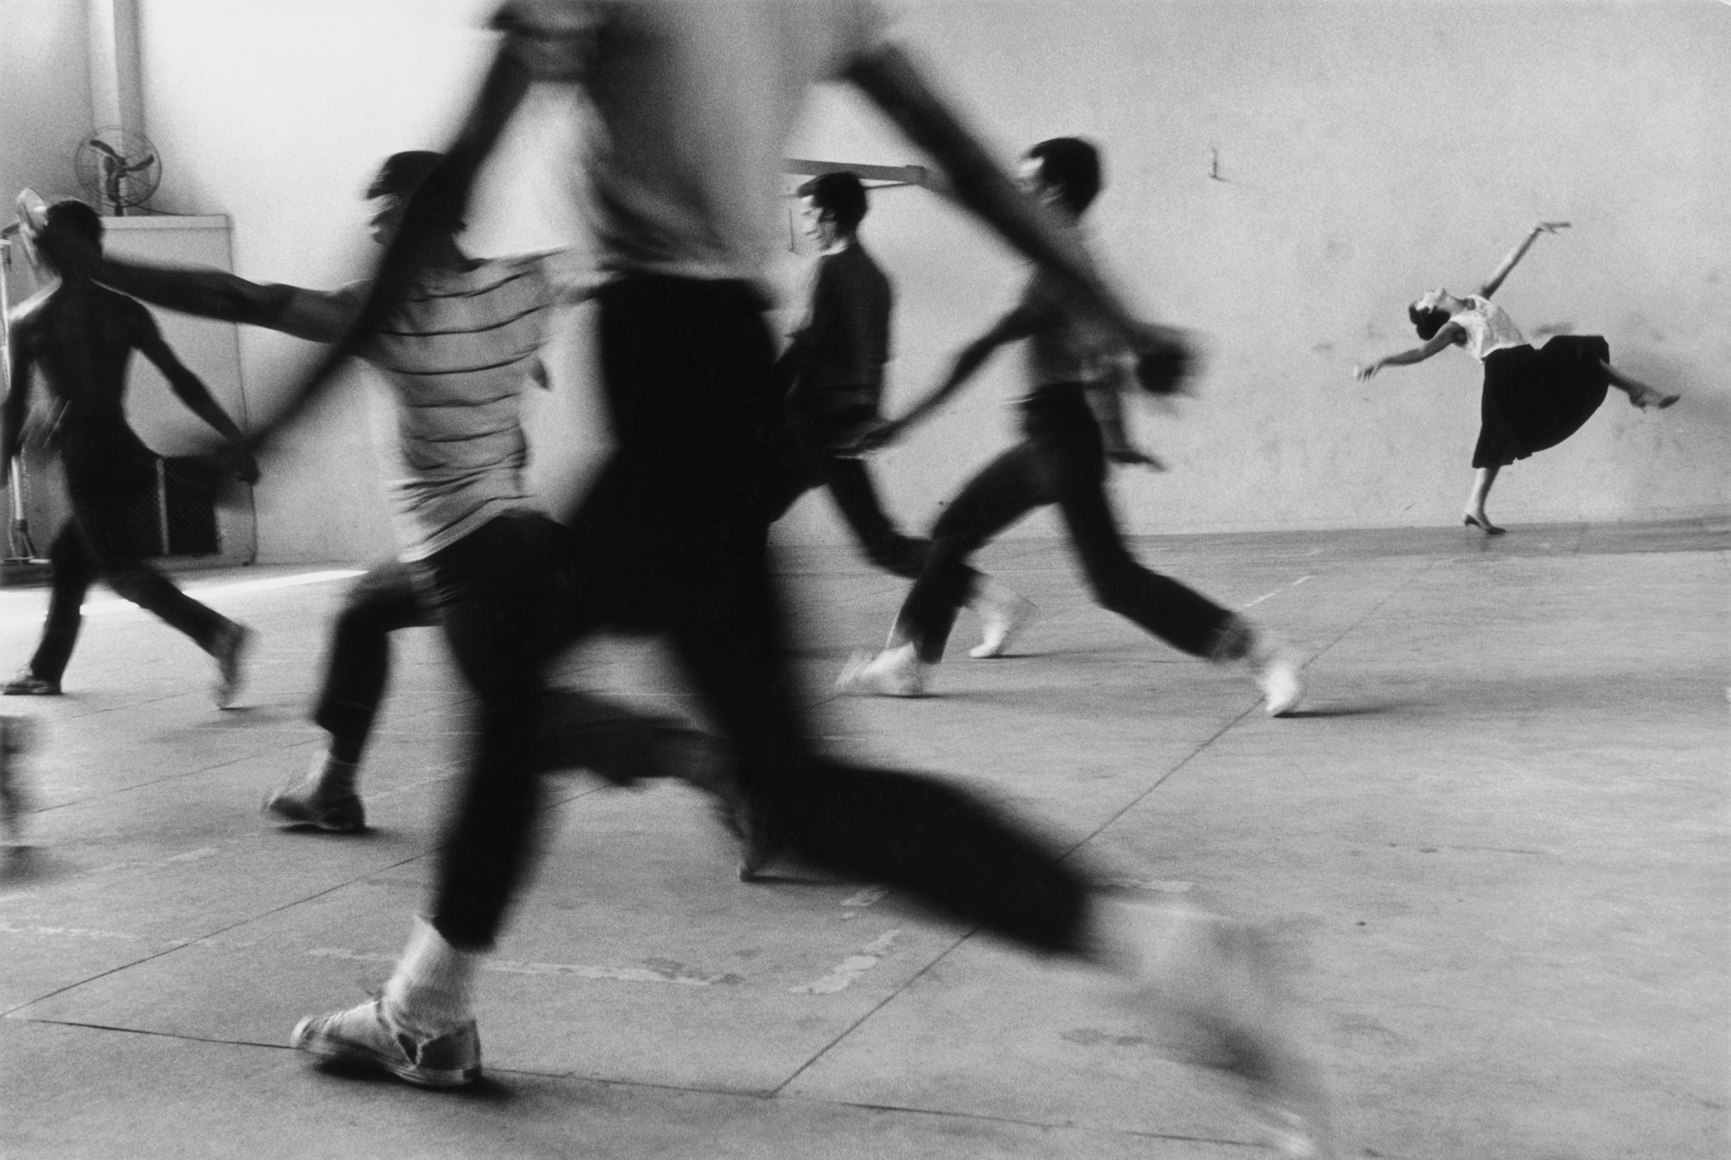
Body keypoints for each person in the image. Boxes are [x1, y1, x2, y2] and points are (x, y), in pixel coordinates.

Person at [279, 7, 1334, 1156]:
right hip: (726, 368)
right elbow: (969, 161)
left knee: (529, 681)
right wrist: (1115, 310)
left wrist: (292, 401)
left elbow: (451, 178)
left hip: (668, 369)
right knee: (787, 788)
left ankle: (429, 1014)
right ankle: (1169, 948)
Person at [97, 151, 729, 834]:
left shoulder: (383, 309)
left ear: (426, 216)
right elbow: (626, 263)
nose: (374, 232)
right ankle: (332, 786)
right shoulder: (523, 281)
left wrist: (103, 267)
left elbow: (241, 298)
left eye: (386, 215)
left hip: (467, 555)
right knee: (364, 611)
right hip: (522, 537)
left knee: (522, 717)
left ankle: (713, 765)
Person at [834, 138, 1302, 715]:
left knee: (1114, 583)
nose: (1022, 194)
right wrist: (1119, 439)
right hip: (1048, 437)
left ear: (1053, 191)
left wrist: (905, 421)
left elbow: (984, 347)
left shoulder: (1061, 266)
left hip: (1059, 438)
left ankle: (1263, 652)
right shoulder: (1066, 258)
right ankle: (909, 661)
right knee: (954, 529)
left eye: (1030, 184)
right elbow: (1103, 360)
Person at [0, 196, 257, 706]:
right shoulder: (125, 310)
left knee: (120, 570)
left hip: (86, 457)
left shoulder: (28, 318)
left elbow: (15, 402)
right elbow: (183, 380)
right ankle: (45, 669)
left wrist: (3, 463)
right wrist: (234, 438)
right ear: (97, 245)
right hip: (128, 455)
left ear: (46, 247)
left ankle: (217, 633)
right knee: (72, 557)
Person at [772, 170, 1034, 658]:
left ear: (828, 216)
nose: (805, 226)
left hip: (808, 421)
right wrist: (869, 416)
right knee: (757, 511)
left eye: (809, 215)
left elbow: (800, 356)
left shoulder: (824, 272)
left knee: (875, 541)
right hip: (846, 418)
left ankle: (989, 597)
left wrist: (752, 406)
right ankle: (989, 597)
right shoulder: (876, 276)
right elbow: (877, 359)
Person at [1354, 222, 1679, 535]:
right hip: (1503, 375)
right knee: (1498, 440)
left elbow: (1505, 267)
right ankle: (1474, 507)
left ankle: (1636, 390)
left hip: (1527, 360)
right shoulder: (1453, 327)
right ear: (1430, 310)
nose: (1426, 292)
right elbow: (1422, 353)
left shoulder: (1478, 299)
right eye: (1422, 298)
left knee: (1579, 355)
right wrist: (1382, 361)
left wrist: (1532, 233)